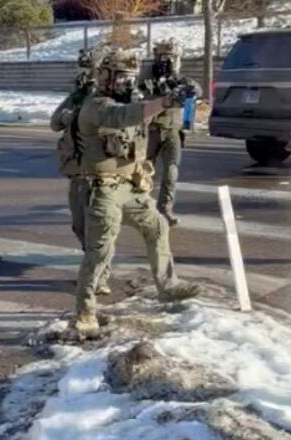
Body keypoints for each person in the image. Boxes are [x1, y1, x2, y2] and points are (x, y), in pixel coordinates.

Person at [73, 47, 203, 339]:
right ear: (104, 76)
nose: (126, 83)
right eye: (120, 77)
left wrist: (176, 92)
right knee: (100, 251)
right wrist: (165, 101)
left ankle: (168, 286)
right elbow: (124, 116)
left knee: (157, 226)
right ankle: (84, 312)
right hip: (102, 189)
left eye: (130, 78)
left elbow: (146, 114)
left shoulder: (130, 99)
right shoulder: (96, 105)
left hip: (130, 187)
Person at [51, 47, 112, 296]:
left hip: (100, 173)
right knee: (80, 226)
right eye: (82, 68)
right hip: (78, 173)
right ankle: (94, 267)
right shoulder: (79, 95)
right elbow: (55, 122)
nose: (85, 73)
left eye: (90, 69)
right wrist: (72, 113)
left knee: (99, 228)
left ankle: (98, 276)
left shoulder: (110, 97)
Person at [141, 38, 202, 226]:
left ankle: (165, 207)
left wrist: (185, 87)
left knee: (171, 170)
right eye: (163, 56)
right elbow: (138, 97)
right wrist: (156, 89)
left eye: (171, 57)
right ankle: (139, 205)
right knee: (143, 170)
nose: (167, 61)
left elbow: (197, 90)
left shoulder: (177, 79)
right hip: (151, 129)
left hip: (172, 130)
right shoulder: (146, 76)